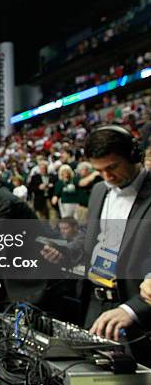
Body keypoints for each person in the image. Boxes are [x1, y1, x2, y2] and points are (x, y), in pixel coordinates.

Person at [81, 125, 150, 366]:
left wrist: (133, 310)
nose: (107, 177)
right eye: (99, 171)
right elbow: (94, 241)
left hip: (137, 311)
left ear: (134, 156)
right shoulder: (99, 190)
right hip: (96, 304)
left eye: (112, 167)